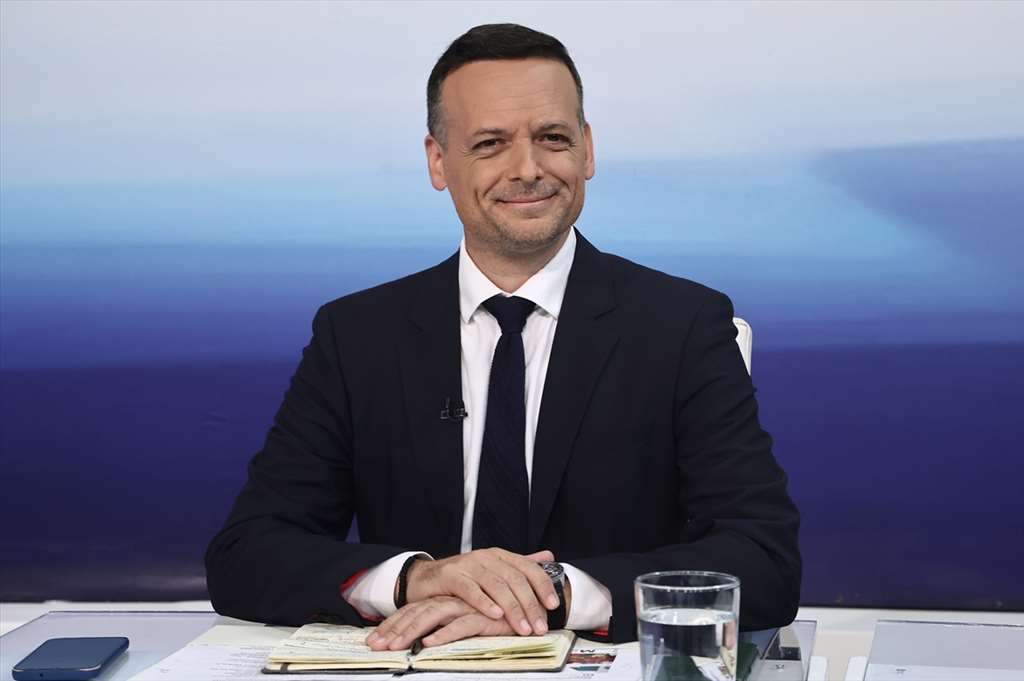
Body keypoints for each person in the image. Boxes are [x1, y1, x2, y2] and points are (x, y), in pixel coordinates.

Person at [205, 23, 801, 646]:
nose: (528, 169)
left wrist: (556, 596)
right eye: (490, 144)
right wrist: (417, 580)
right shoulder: (356, 335)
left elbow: (764, 560)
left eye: (552, 138)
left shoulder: (683, 324)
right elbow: (248, 553)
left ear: (587, 149)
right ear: (438, 161)